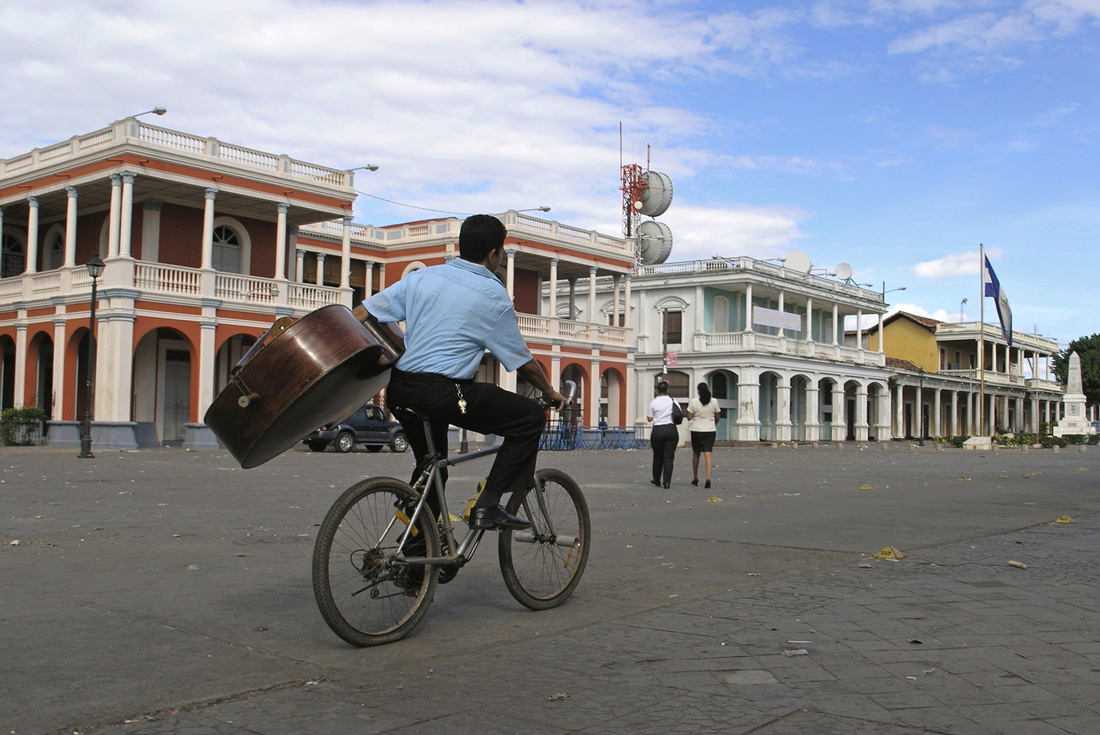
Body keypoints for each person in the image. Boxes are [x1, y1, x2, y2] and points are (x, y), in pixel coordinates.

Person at [363, 214, 565, 531]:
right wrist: (550, 392)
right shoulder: (493, 294)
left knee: (433, 469)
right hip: (451, 396)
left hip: (400, 391)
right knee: (529, 418)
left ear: (461, 245)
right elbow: (524, 362)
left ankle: (417, 564)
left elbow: (364, 312)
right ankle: (489, 503)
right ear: (494, 254)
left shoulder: (422, 279)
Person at [686, 382, 721, 489]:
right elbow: (717, 416)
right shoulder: (714, 401)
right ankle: (708, 478)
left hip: (696, 430)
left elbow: (688, 417)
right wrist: (712, 423)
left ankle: (695, 477)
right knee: (708, 453)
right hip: (710, 430)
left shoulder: (694, 402)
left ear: (698, 391)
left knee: (696, 453)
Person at [646, 380, 679, 488]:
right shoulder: (673, 401)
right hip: (671, 429)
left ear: (656, 391)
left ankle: (656, 479)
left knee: (657, 456)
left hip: (658, 430)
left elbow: (649, 418)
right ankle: (667, 482)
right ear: (667, 390)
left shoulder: (653, 402)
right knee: (669, 457)